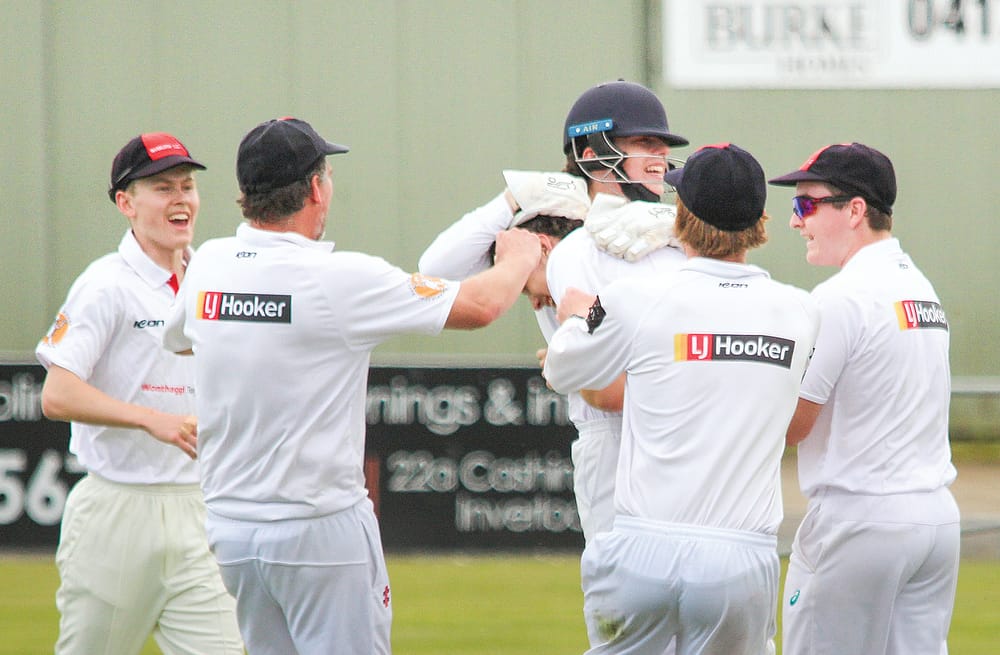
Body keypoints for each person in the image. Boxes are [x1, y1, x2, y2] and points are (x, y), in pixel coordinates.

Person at [162, 116, 542, 655]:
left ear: (246, 194)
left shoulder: (212, 264)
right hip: (318, 528)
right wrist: (521, 256)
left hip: (232, 529)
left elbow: (180, 340)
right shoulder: (339, 278)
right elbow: (480, 306)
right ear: (316, 188)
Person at [542, 143, 819, 655]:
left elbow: (562, 369)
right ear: (761, 220)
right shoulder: (800, 311)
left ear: (681, 217)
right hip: (740, 557)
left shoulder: (635, 300)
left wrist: (580, 310)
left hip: (640, 550)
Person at [420, 80, 690, 544]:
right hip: (610, 431)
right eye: (645, 143)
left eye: (663, 145)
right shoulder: (561, 233)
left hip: (682, 429)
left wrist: (688, 235)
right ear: (591, 153)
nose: (659, 157)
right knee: (620, 600)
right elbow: (436, 270)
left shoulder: (668, 231)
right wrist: (513, 198)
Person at [35, 133, 243, 654]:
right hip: (117, 512)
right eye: (162, 187)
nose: (181, 199)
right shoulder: (105, 284)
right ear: (125, 203)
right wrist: (153, 419)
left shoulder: (212, 278)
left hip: (201, 509)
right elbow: (57, 395)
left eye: (188, 186)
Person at [770, 143, 960, 655]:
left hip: (862, 519)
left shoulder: (840, 297)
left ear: (855, 210)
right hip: (935, 519)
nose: (795, 220)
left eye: (807, 204)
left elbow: (792, 425)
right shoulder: (919, 287)